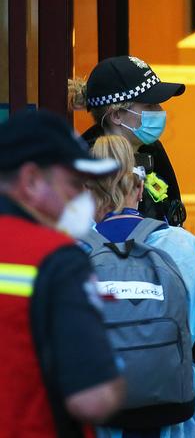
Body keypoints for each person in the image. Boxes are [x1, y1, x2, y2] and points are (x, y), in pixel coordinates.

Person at [84, 135, 195, 438]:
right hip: (185, 416)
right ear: (140, 188)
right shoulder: (185, 247)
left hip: (100, 419)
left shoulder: (70, 254)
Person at [0, 110, 125, 437]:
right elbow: (93, 400)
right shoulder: (56, 258)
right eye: (73, 184)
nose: (81, 198)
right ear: (30, 181)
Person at [69, 55, 187, 226]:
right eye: (149, 105)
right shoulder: (86, 165)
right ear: (116, 115)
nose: (159, 111)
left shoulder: (151, 150)